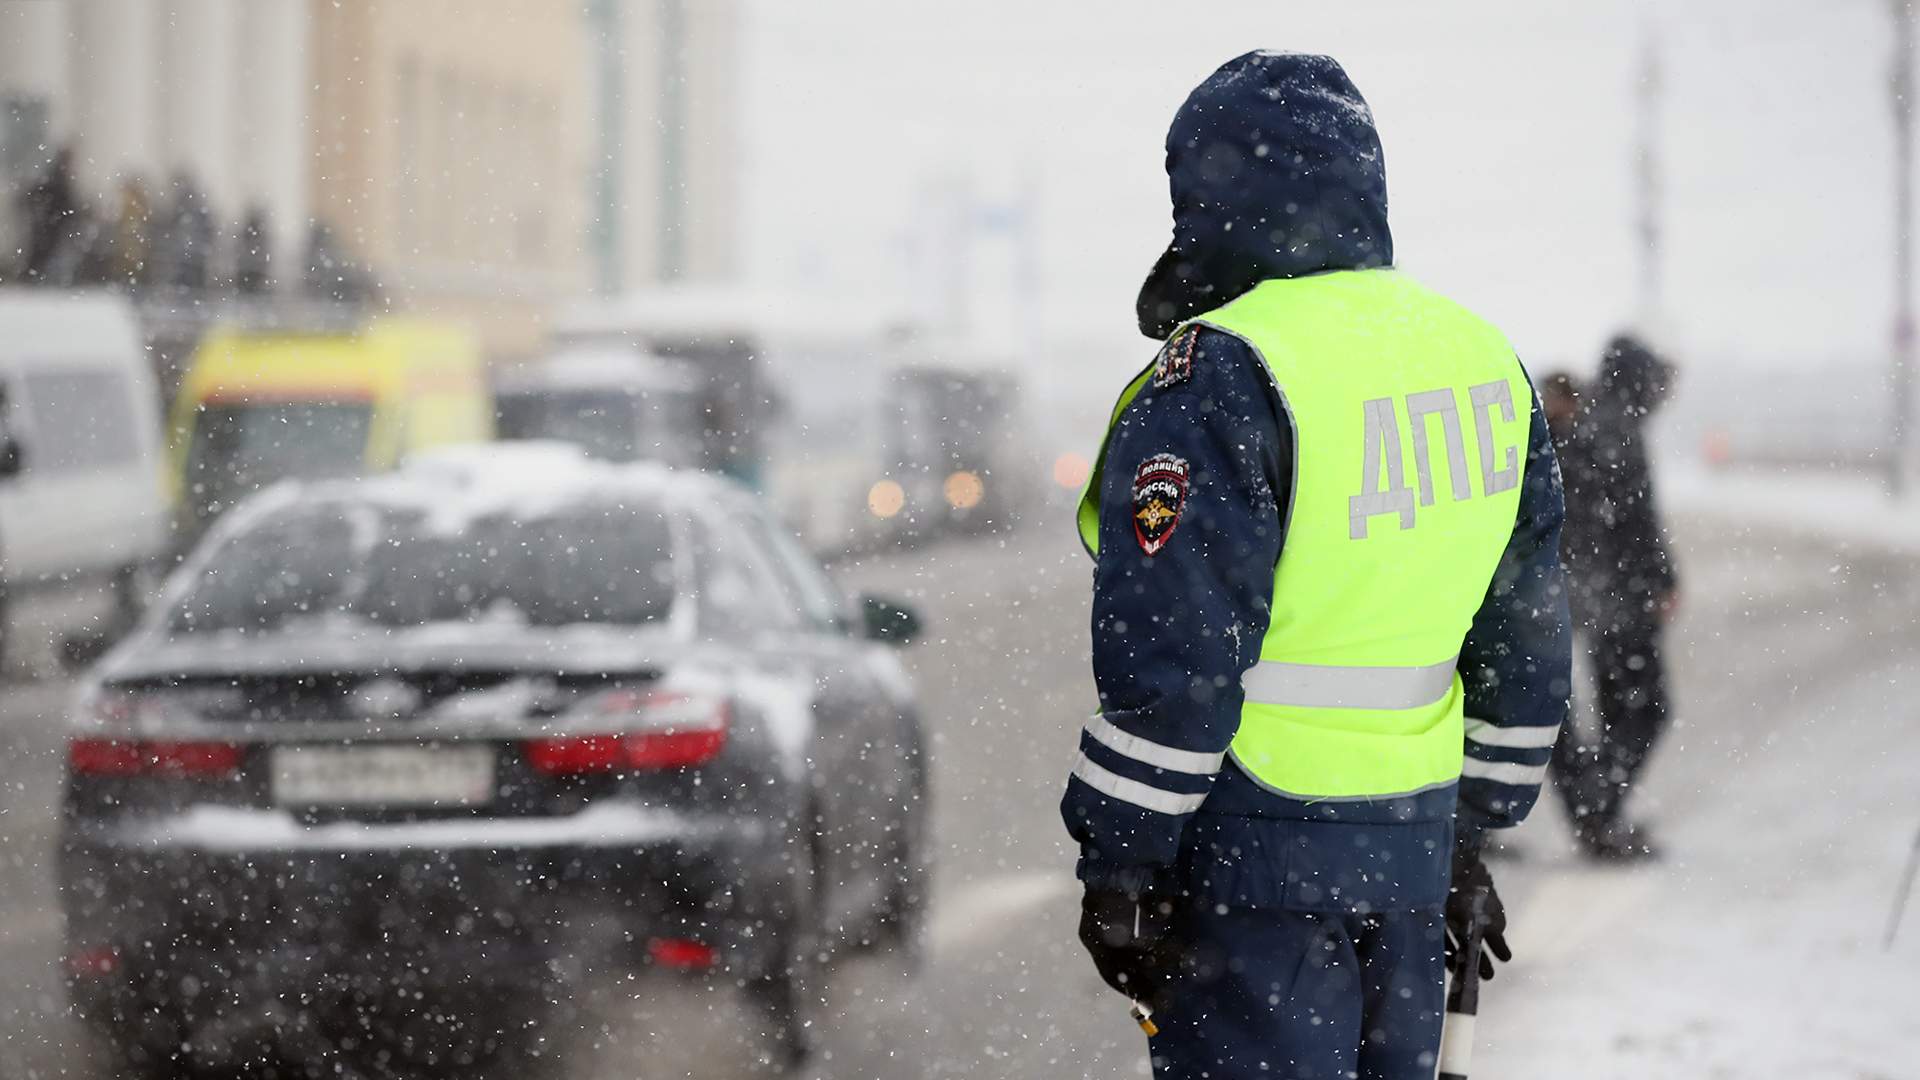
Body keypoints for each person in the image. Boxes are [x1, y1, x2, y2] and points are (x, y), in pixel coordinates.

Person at [1059, 52, 1571, 1079]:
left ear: (1213, 192)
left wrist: (1122, 861)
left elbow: (1178, 657)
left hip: (1256, 855)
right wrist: (1471, 835)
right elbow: (1524, 633)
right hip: (1412, 854)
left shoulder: (1228, 369)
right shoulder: (1482, 362)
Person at [1547, 335, 1678, 861]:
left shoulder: (1582, 418)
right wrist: (1663, 581)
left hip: (1572, 588)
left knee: (1576, 711)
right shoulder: (1619, 427)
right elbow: (1638, 521)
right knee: (1646, 709)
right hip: (1618, 595)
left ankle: (1595, 812)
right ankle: (1597, 812)